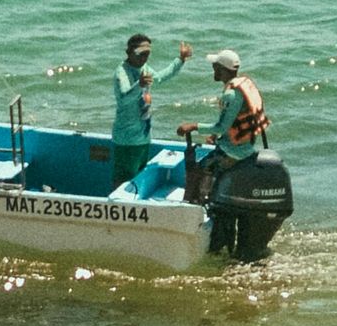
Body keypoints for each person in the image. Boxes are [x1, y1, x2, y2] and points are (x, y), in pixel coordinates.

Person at [178, 49, 269, 201]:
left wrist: (193, 126)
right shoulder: (244, 85)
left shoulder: (230, 95)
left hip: (233, 151)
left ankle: (195, 205)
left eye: (215, 66)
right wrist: (214, 135)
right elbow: (231, 122)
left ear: (222, 69)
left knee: (199, 170)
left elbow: (221, 127)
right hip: (247, 146)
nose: (213, 69)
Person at [112, 30, 193, 186]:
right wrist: (139, 85)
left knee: (139, 177)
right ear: (129, 52)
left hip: (143, 136)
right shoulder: (121, 72)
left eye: (147, 53)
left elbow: (161, 77)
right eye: (141, 53)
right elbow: (123, 98)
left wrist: (180, 60)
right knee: (123, 180)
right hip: (126, 139)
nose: (145, 57)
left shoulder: (145, 69)